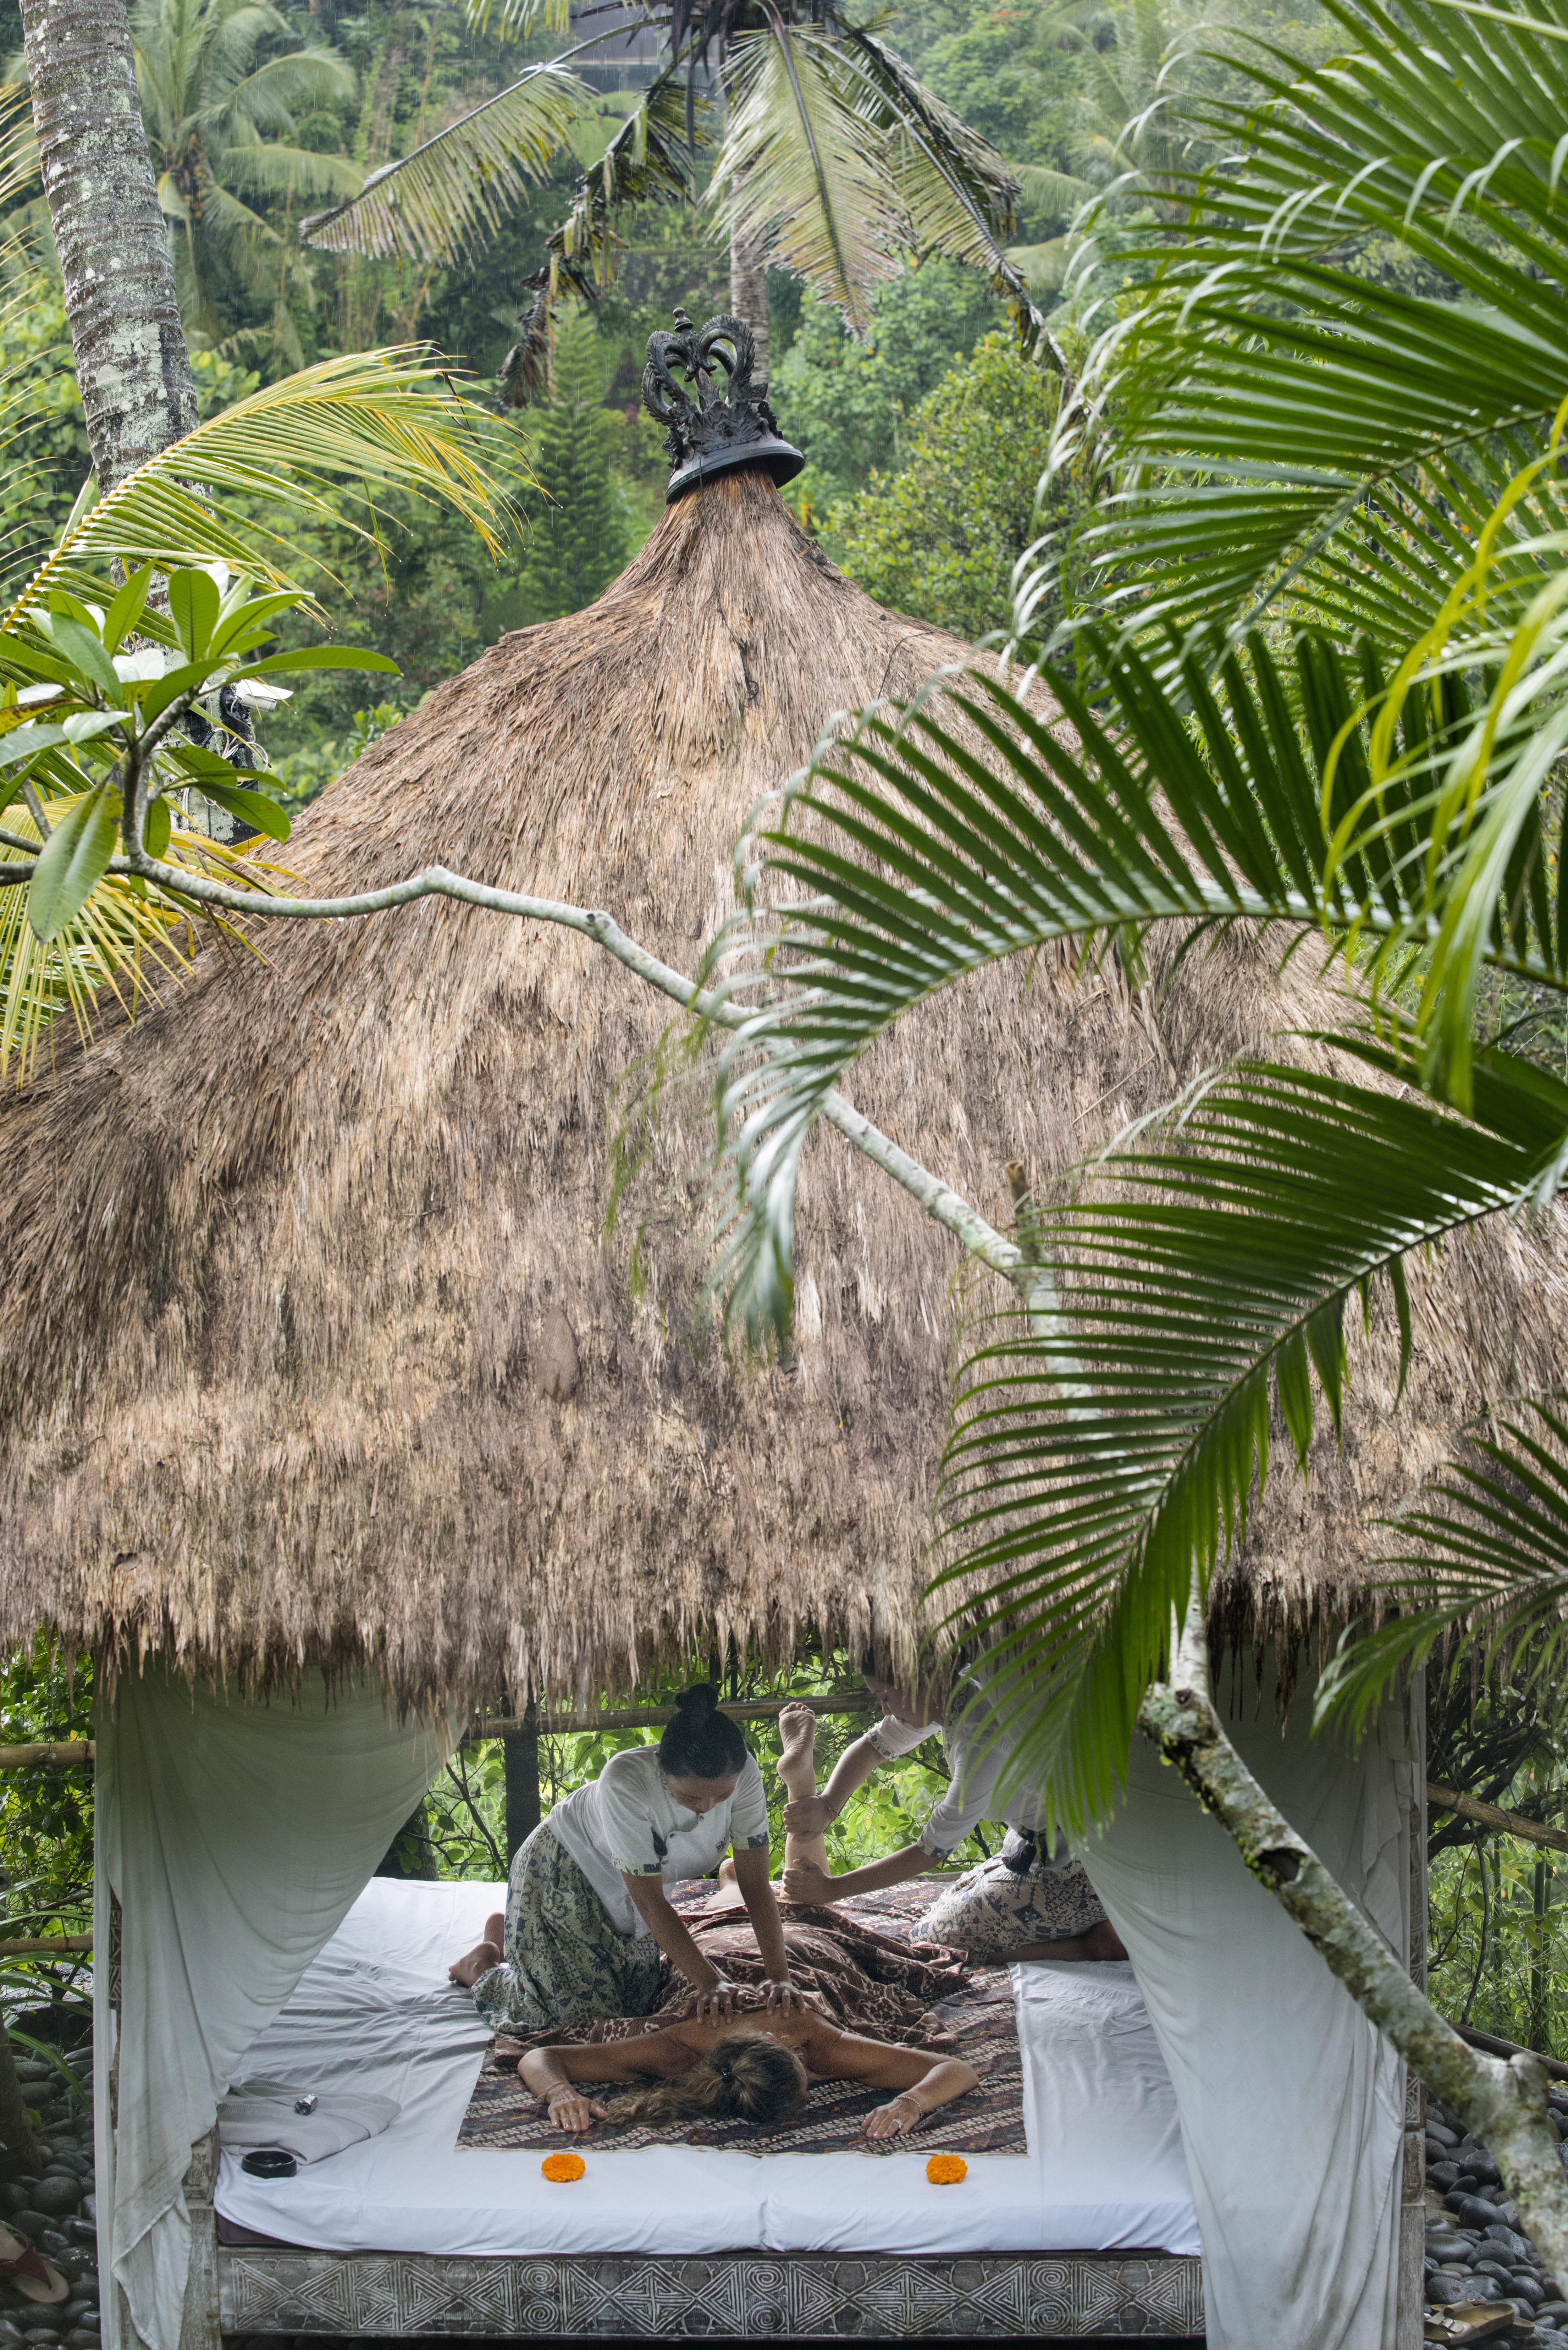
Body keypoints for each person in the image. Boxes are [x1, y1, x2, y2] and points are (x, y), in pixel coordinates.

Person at [449, 1683, 798, 2031]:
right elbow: (649, 1904)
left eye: (722, 1796)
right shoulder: (625, 1781)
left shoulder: (745, 1774)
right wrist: (711, 1983)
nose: (707, 1808)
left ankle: (512, 1936)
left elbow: (754, 1882)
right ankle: (483, 1965)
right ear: (663, 1770)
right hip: (566, 1869)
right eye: (691, 1798)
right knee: (584, 2024)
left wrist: (779, 1977)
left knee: (640, 2005)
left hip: (638, 1881)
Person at [776, 1671, 1126, 1964]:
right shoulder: (959, 1693)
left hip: (1089, 1869)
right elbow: (873, 1747)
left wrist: (832, 1888)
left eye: (886, 1696)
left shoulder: (981, 1739)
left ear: (922, 1682)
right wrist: (827, 1805)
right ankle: (1104, 1926)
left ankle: (1095, 1943)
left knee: (930, 1943)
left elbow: (930, 1852)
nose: (883, 1708)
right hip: (1047, 1841)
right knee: (956, 1896)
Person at [518, 2009, 981, 2141]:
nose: (818, 2075)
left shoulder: (823, 2045)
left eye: (808, 2074)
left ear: (790, 2049)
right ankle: (730, 1884)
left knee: (793, 1917)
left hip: (798, 1961)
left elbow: (957, 2069)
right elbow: (542, 2057)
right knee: (728, 1907)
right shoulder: (676, 2049)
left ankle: (733, 1882)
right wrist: (558, 2092)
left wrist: (911, 2101)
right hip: (719, 1970)